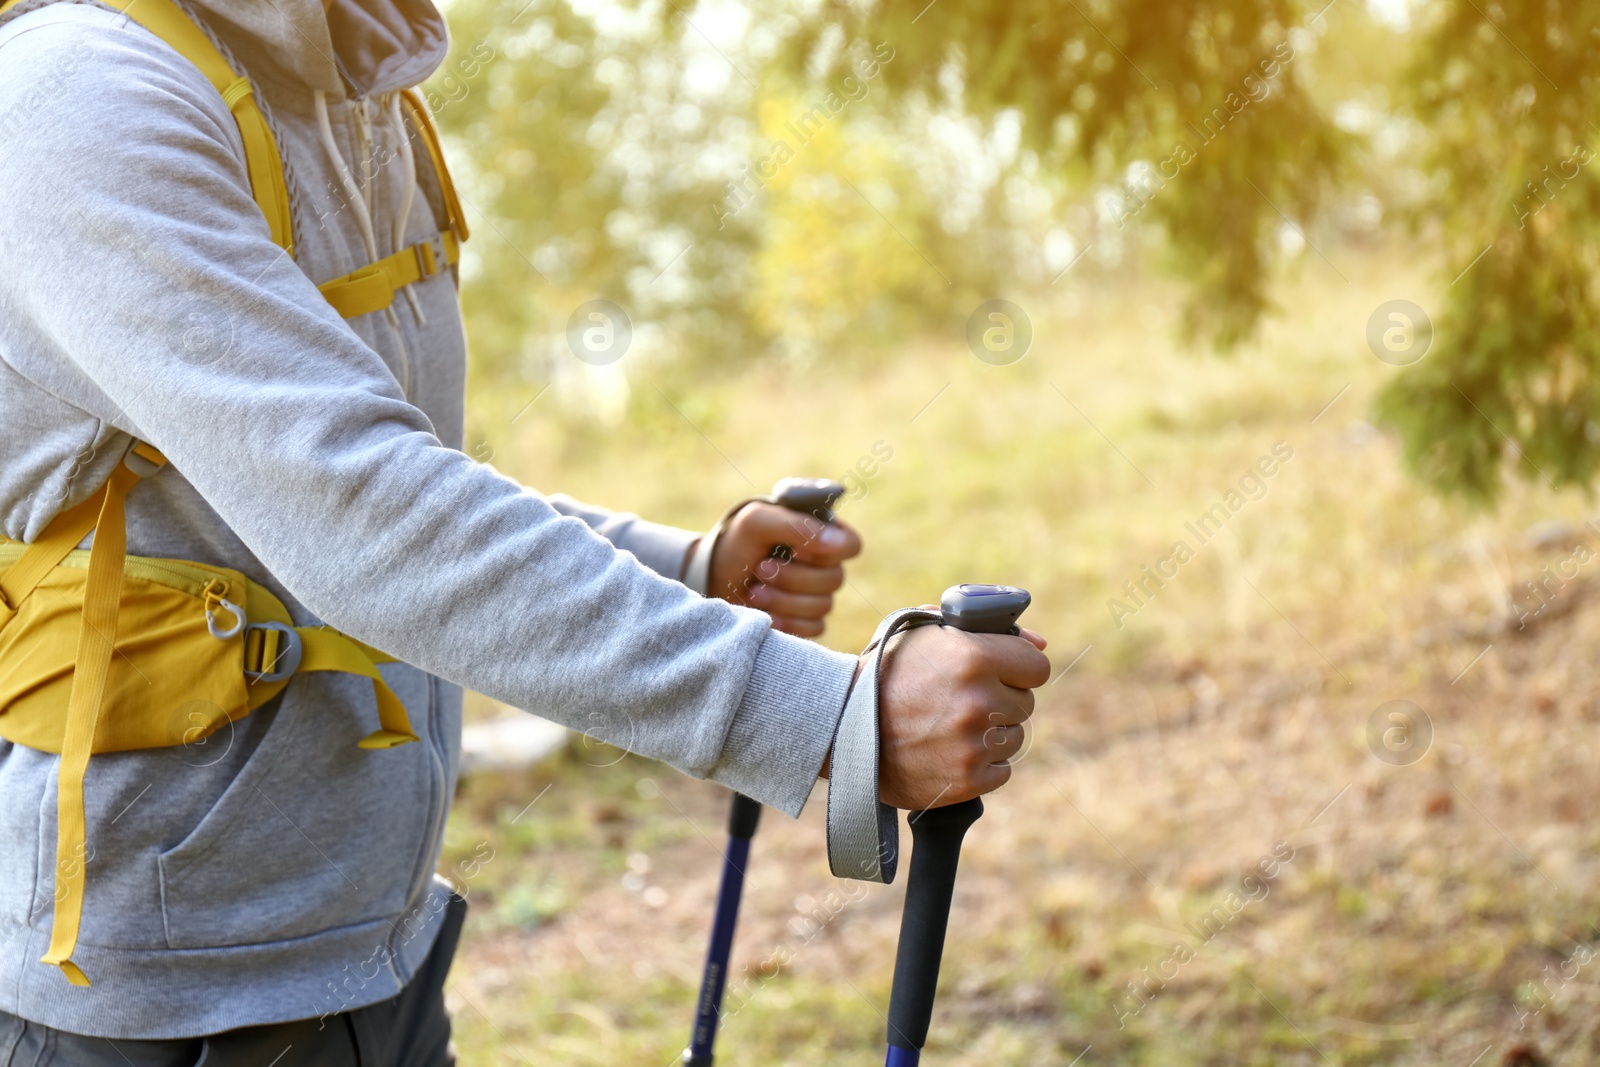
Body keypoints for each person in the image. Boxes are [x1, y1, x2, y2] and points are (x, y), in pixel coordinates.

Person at [0, 0, 1052, 1063]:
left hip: (380, 954)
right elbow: (361, 509)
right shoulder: (77, 97)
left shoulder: (360, 91)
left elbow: (397, 475)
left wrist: (683, 571)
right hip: (148, 998)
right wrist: (828, 717)